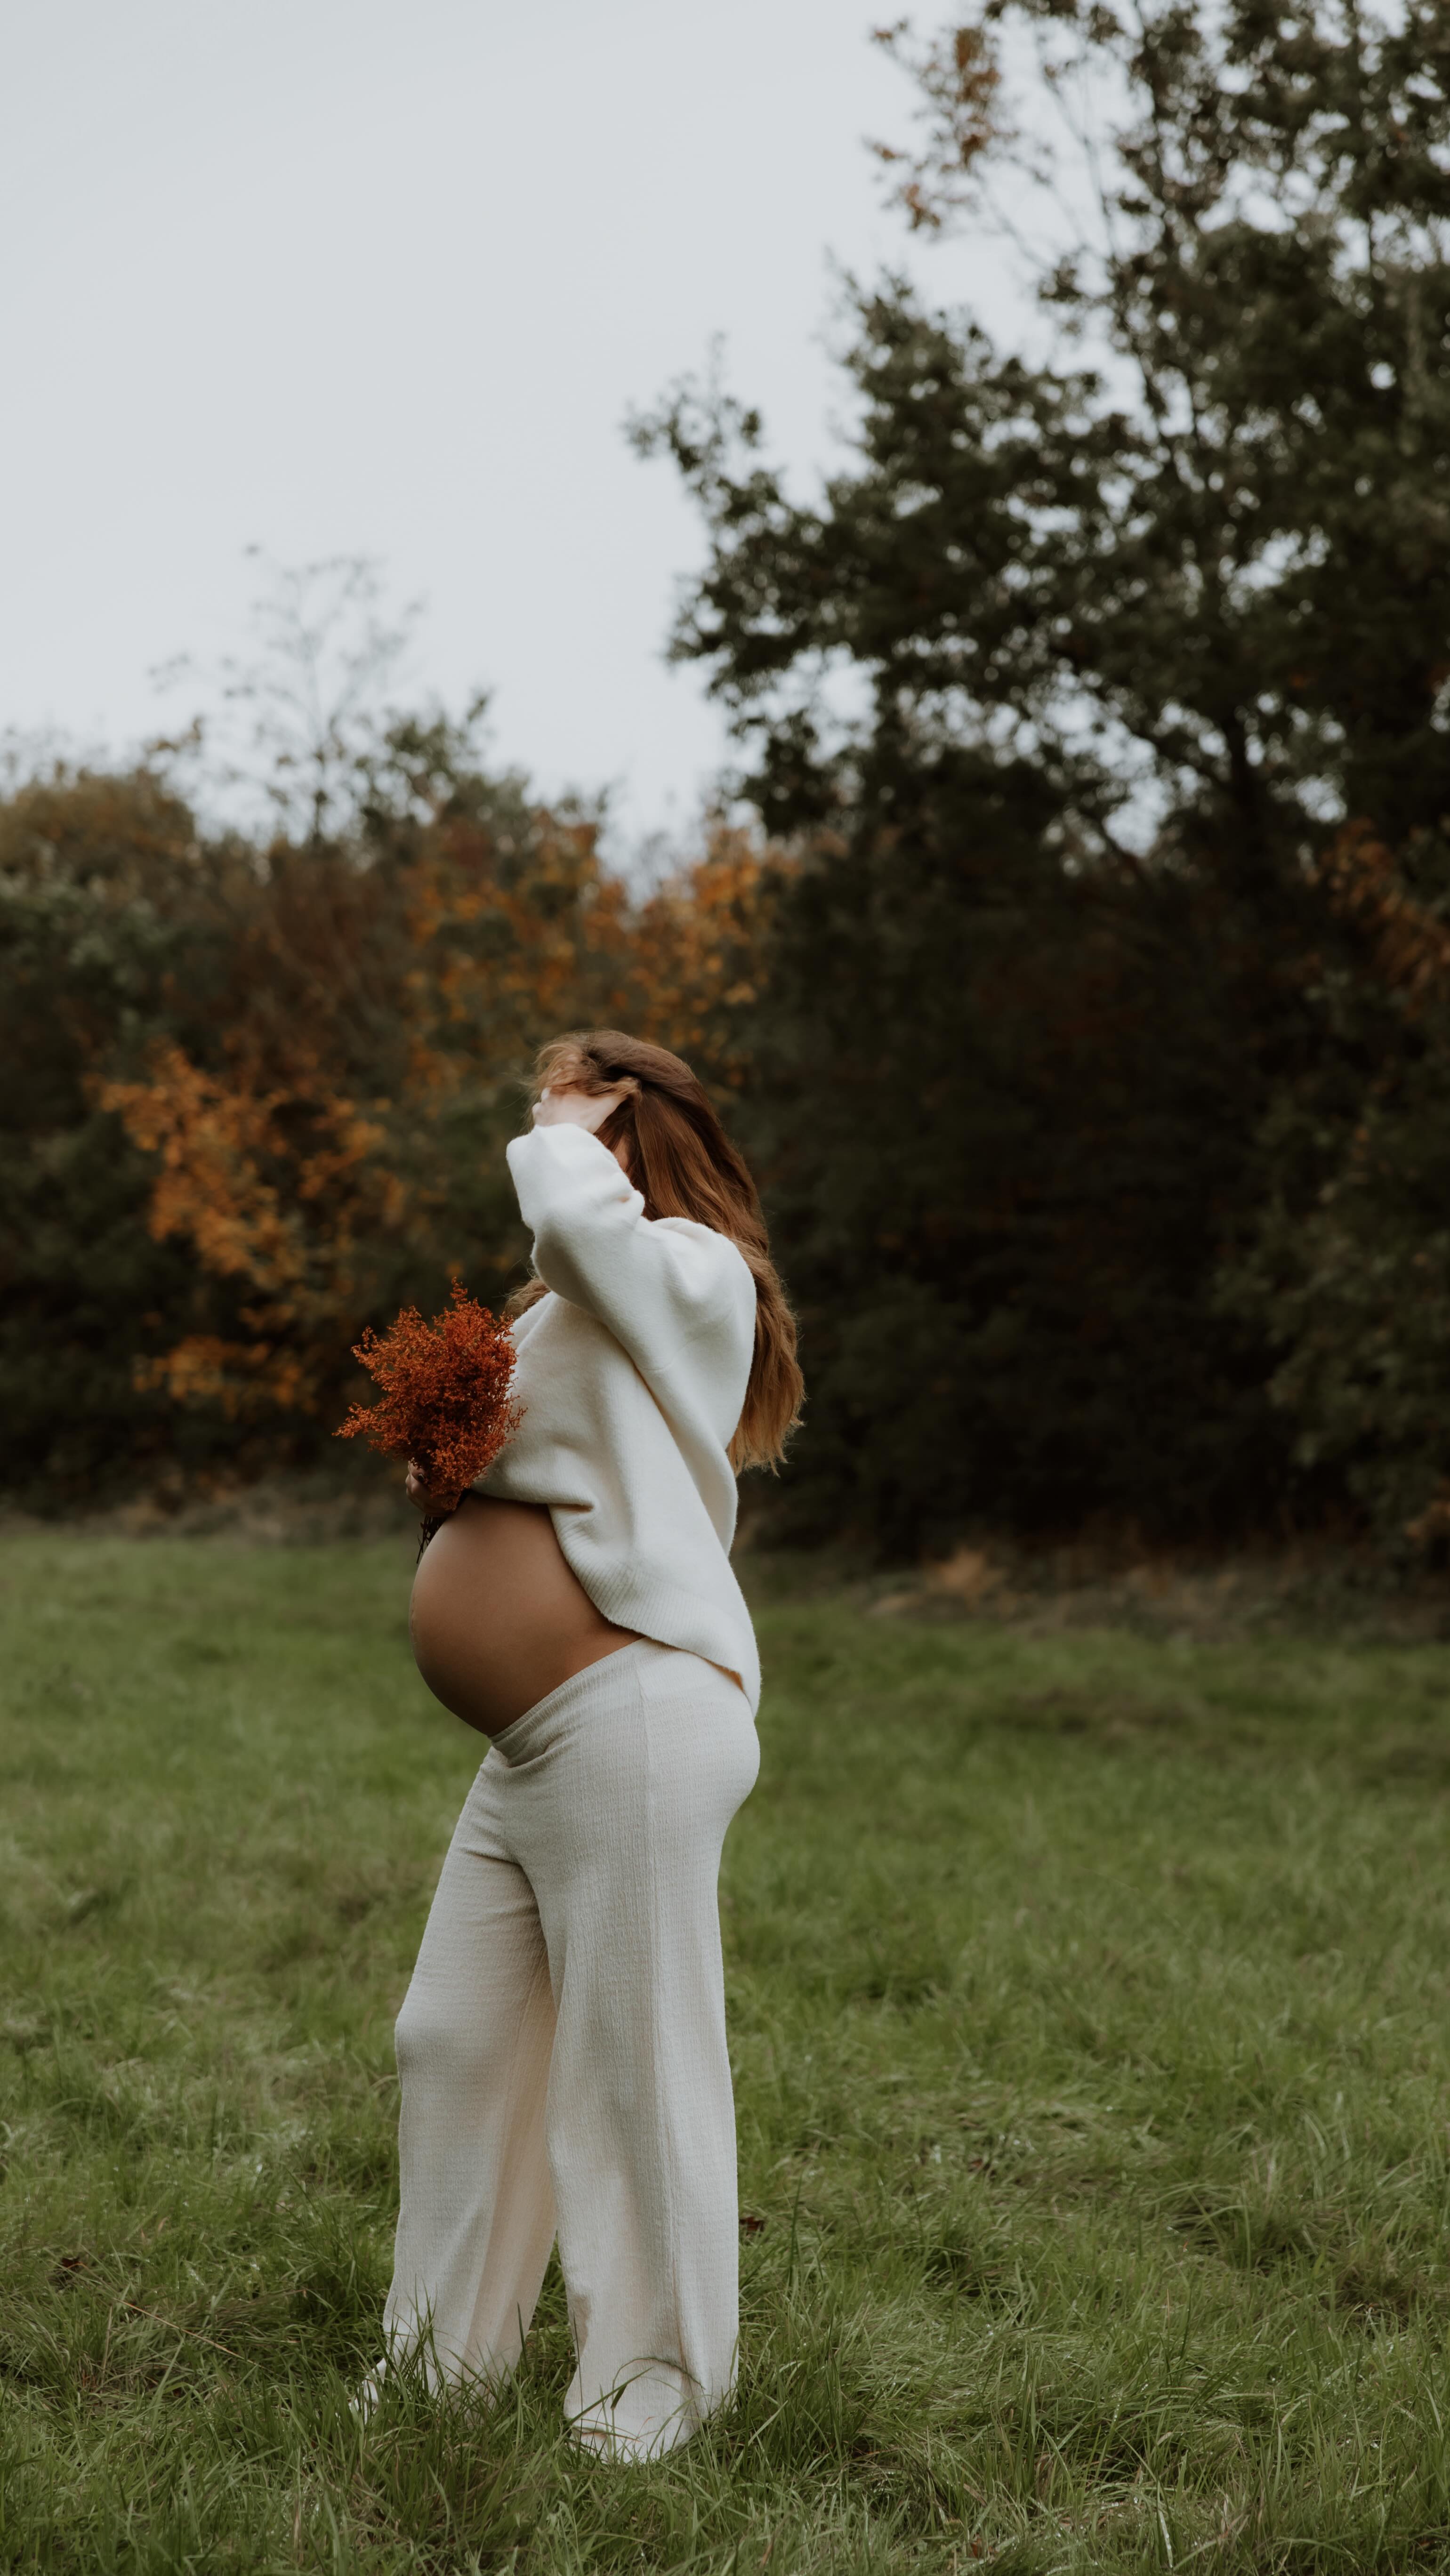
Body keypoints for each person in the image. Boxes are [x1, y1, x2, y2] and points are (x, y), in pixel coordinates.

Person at [373, 1029, 802, 2462]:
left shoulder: (696, 1272)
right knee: (453, 2039)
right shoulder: (589, 1302)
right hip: (543, 1744)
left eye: (557, 1107)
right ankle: (443, 2370)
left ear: (625, 1123)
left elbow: (570, 1214)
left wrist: (569, 1121)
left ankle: (654, 2401)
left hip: (630, 1718)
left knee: (634, 2065)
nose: (535, 1132)